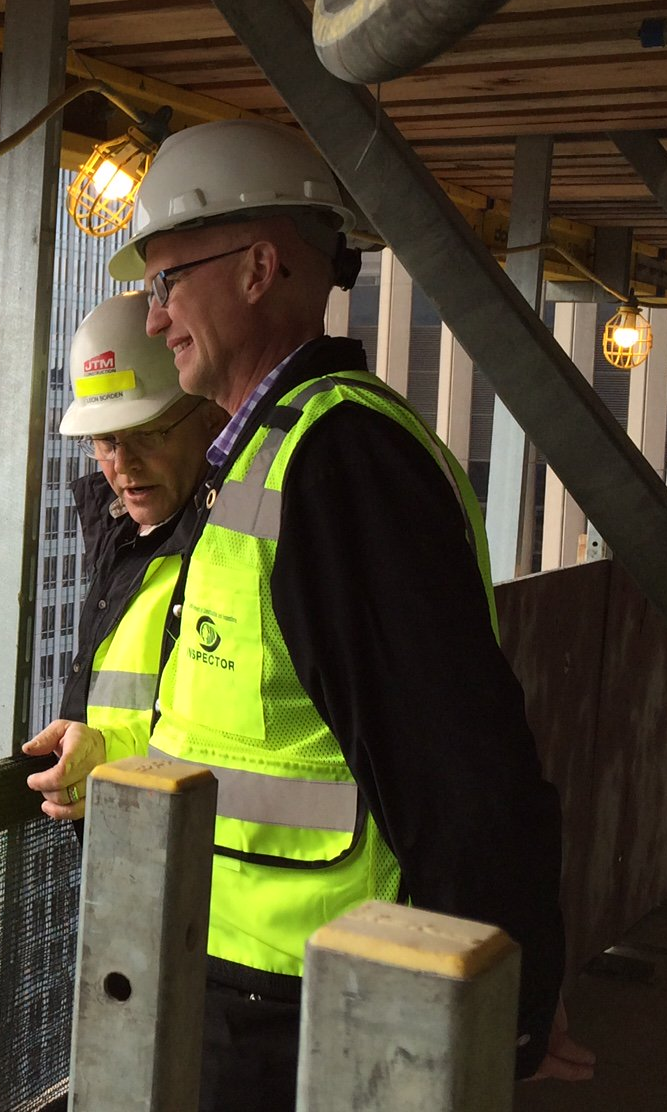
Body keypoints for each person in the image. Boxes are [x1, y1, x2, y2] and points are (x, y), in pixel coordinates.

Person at [111, 117, 593, 1109]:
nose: (153, 321)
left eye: (165, 284)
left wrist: (503, 1012)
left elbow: (462, 767)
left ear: (258, 267)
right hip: (260, 992)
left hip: (317, 1010)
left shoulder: (341, 465)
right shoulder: (274, 452)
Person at [23, 292, 226, 819]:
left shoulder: (227, 550)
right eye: (106, 441)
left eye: (148, 434)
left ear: (210, 418)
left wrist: (112, 756)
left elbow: (231, 740)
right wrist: (101, 750)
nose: (123, 465)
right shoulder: (128, 541)